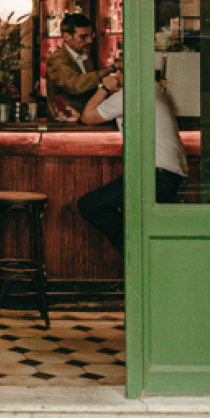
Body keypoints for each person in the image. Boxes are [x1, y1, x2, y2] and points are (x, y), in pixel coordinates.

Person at [73, 70, 189, 253]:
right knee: (142, 226)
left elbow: (88, 117)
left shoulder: (130, 94)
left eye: (117, 70)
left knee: (90, 205)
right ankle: (139, 258)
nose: (114, 74)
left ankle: (133, 255)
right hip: (170, 175)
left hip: (156, 175)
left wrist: (104, 88)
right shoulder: (152, 88)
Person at [45, 14, 121, 118]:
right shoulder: (56, 60)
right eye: (83, 37)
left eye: (91, 35)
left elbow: (89, 89)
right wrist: (112, 68)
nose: (90, 41)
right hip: (66, 124)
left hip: (85, 119)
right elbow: (76, 85)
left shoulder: (85, 57)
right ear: (67, 36)